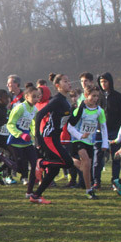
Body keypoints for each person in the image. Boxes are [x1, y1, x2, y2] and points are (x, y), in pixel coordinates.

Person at [30, 73, 77, 204]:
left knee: (54, 170)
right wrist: (38, 138)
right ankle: (41, 163)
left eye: (69, 81)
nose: (69, 83)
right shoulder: (56, 100)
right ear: (58, 85)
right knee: (68, 162)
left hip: (55, 137)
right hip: (48, 137)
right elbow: (39, 115)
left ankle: (36, 195)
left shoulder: (66, 102)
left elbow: (72, 121)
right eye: (65, 81)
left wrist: (81, 107)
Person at [68, 85, 108, 199]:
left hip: (90, 142)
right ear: (86, 95)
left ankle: (88, 189)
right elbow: (70, 127)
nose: (95, 99)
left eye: (97, 96)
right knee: (85, 160)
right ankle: (89, 189)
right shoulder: (80, 109)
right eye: (93, 96)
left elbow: (104, 127)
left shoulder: (99, 111)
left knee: (86, 166)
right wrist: (80, 135)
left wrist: (105, 143)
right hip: (78, 140)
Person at [6, 86, 39, 198]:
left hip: (27, 142)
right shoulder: (20, 108)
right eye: (33, 96)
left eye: (37, 97)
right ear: (26, 97)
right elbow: (10, 124)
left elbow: (33, 124)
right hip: (16, 141)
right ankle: (1, 158)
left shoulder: (34, 109)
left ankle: (29, 192)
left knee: (35, 164)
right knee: (21, 168)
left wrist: (34, 135)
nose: (36, 99)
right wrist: (20, 134)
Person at [96, 72, 121, 187]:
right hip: (100, 131)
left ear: (110, 82)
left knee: (116, 157)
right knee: (98, 157)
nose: (103, 84)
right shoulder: (97, 95)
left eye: (105, 81)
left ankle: (115, 181)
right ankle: (96, 181)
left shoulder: (117, 96)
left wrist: (120, 130)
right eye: (101, 82)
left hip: (114, 130)